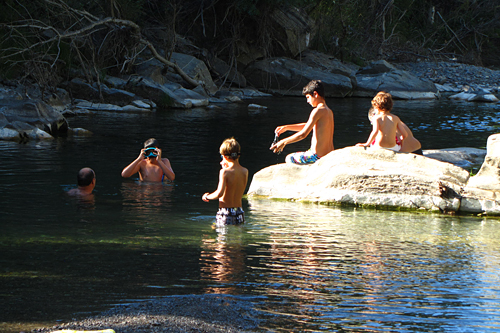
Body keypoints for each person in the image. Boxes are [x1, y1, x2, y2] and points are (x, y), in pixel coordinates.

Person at [270, 79, 334, 164]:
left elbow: (303, 134)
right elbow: (309, 126)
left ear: (315, 94)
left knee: (289, 158)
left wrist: (284, 142)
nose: (307, 101)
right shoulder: (328, 111)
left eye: (308, 97)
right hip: (330, 155)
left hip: (317, 157)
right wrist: (286, 128)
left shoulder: (317, 110)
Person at [202, 138, 249, 226]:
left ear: (223, 156)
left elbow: (219, 193)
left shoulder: (224, 172)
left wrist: (207, 196)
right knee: (237, 238)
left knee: (221, 238)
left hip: (225, 212)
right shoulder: (245, 171)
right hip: (239, 212)